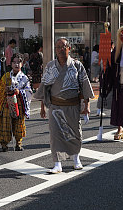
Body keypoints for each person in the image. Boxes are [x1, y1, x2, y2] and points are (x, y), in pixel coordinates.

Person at [35, 37, 94, 174]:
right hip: (55, 106)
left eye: (63, 46)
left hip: (72, 106)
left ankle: (76, 159)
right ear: (55, 50)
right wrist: (43, 107)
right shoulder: (50, 66)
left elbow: (84, 86)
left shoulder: (77, 65)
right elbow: (45, 87)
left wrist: (87, 106)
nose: (61, 49)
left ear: (69, 48)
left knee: (75, 133)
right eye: (58, 47)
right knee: (55, 135)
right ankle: (57, 163)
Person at [0, 53, 32, 152]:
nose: (16, 64)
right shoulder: (6, 76)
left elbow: (29, 92)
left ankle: (18, 143)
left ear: (22, 63)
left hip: (19, 103)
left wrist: (19, 91)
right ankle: (4, 144)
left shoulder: (25, 78)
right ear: (11, 64)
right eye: (14, 62)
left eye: (19, 62)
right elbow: (0, 90)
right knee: (5, 124)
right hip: (7, 103)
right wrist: (5, 90)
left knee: (19, 124)